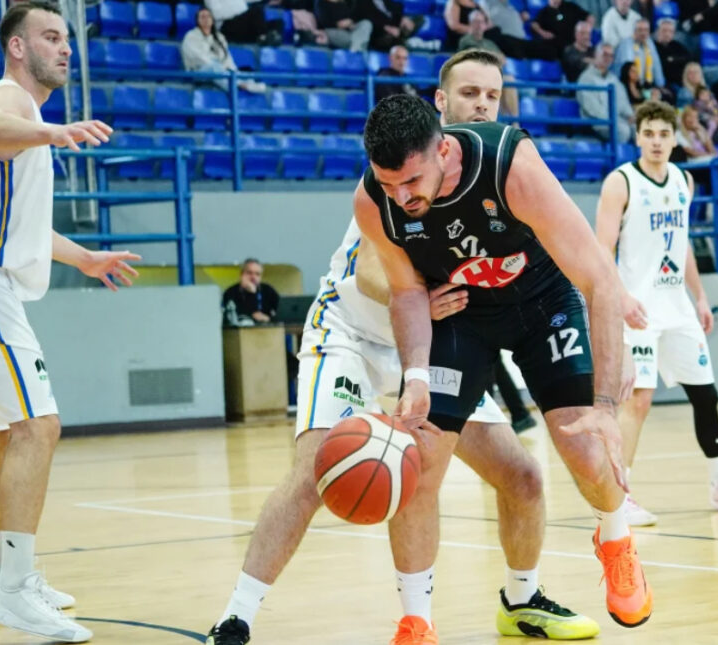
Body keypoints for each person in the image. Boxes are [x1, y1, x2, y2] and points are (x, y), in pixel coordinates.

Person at [203, 50, 603, 645]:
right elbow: (370, 272)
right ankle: (237, 615)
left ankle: (521, 601)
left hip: (431, 348)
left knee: (522, 477)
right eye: (468, 94)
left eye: (491, 97)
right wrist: (414, 294)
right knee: (314, 472)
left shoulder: (494, 178)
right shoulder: (398, 171)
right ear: (439, 108)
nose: (481, 107)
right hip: (354, 334)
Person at [353, 93, 649, 642]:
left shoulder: (511, 166)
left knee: (585, 449)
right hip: (463, 313)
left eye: (411, 181)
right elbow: (406, 291)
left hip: (543, 300)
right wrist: (415, 376)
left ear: (443, 150)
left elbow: (599, 280)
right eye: (389, 184)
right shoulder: (374, 201)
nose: (402, 196)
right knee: (420, 460)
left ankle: (615, 537)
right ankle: (416, 621)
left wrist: (606, 404)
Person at [0, 3, 139, 642]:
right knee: (37, 426)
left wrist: (85, 257)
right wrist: (53, 132)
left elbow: (25, 227)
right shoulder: (10, 102)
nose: (65, 48)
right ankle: (16, 589)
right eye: (50, 37)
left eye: (67, 38)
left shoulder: (28, 118)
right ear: (17, 47)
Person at [594, 100, 718, 528]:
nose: (656, 142)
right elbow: (601, 251)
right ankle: (618, 496)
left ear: (675, 139)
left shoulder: (683, 180)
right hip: (636, 307)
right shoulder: (620, 182)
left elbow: (681, 241)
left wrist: (701, 296)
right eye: (649, 134)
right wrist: (621, 299)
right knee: (638, 399)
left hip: (677, 306)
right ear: (638, 138)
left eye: (664, 134)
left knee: (705, 394)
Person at [181, 7, 267, 94]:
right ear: (197, 20)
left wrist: (233, 70)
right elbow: (196, 57)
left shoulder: (219, 37)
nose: (206, 19)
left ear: (212, 20)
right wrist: (218, 66)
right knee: (214, 67)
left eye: (208, 16)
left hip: (220, 69)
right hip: (198, 71)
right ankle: (240, 85)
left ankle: (247, 82)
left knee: (241, 73)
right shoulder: (191, 36)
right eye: (202, 17)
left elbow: (226, 57)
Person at [577, 43, 630, 142]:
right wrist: (613, 120)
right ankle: (617, 152)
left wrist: (629, 116)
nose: (608, 58)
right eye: (605, 54)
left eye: (611, 56)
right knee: (623, 131)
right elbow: (591, 108)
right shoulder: (586, 78)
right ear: (596, 55)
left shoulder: (614, 79)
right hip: (596, 122)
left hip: (616, 119)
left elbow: (623, 103)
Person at [222, 258, 280, 326]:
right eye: (249, 273)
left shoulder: (268, 290)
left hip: (267, 329)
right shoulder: (231, 292)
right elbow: (237, 317)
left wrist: (268, 319)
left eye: (257, 274)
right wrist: (251, 293)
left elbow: (282, 314)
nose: (253, 277)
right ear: (242, 274)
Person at [614, 19, 665, 91]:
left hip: (646, 85)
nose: (643, 33)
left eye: (646, 30)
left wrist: (661, 86)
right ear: (634, 31)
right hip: (628, 86)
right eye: (640, 30)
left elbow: (656, 66)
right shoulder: (626, 44)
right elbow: (627, 71)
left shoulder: (650, 43)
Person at [206, 0, 284, 45]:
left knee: (279, 22)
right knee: (256, 11)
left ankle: (268, 38)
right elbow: (216, 14)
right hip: (227, 25)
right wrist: (236, 12)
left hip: (244, 23)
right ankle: (264, 37)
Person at [653, 18, 690, 88]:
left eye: (670, 31)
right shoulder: (652, 46)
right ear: (657, 31)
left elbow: (688, 58)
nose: (667, 34)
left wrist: (672, 59)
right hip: (662, 84)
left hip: (680, 82)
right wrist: (675, 60)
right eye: (664, 31)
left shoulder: (676, 45)